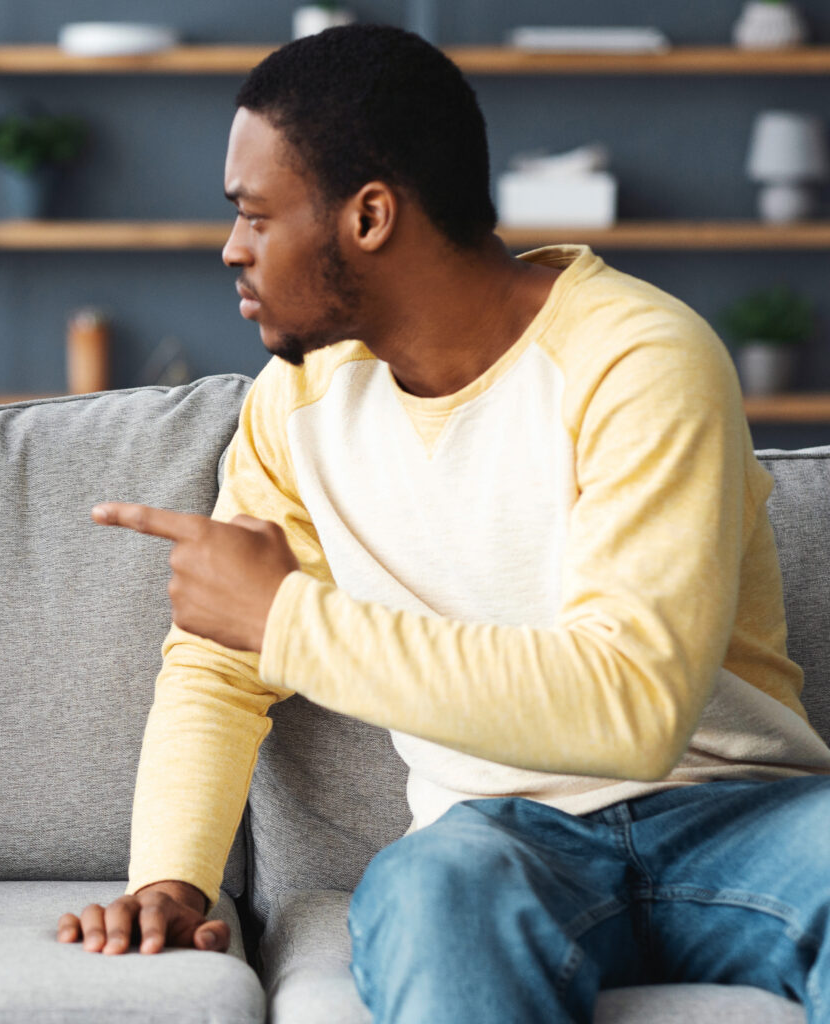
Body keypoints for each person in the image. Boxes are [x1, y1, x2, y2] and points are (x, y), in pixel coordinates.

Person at [57, 25, 830, 1023]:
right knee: (429, 896)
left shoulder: (639, 358)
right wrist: (171, 879)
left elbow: (636, 705)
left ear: (370, 215)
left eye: (254, 214)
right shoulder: (296, 406)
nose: (231, 248)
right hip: (498, 839)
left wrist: (287, 619)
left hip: (742, 812)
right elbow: (219, 666)